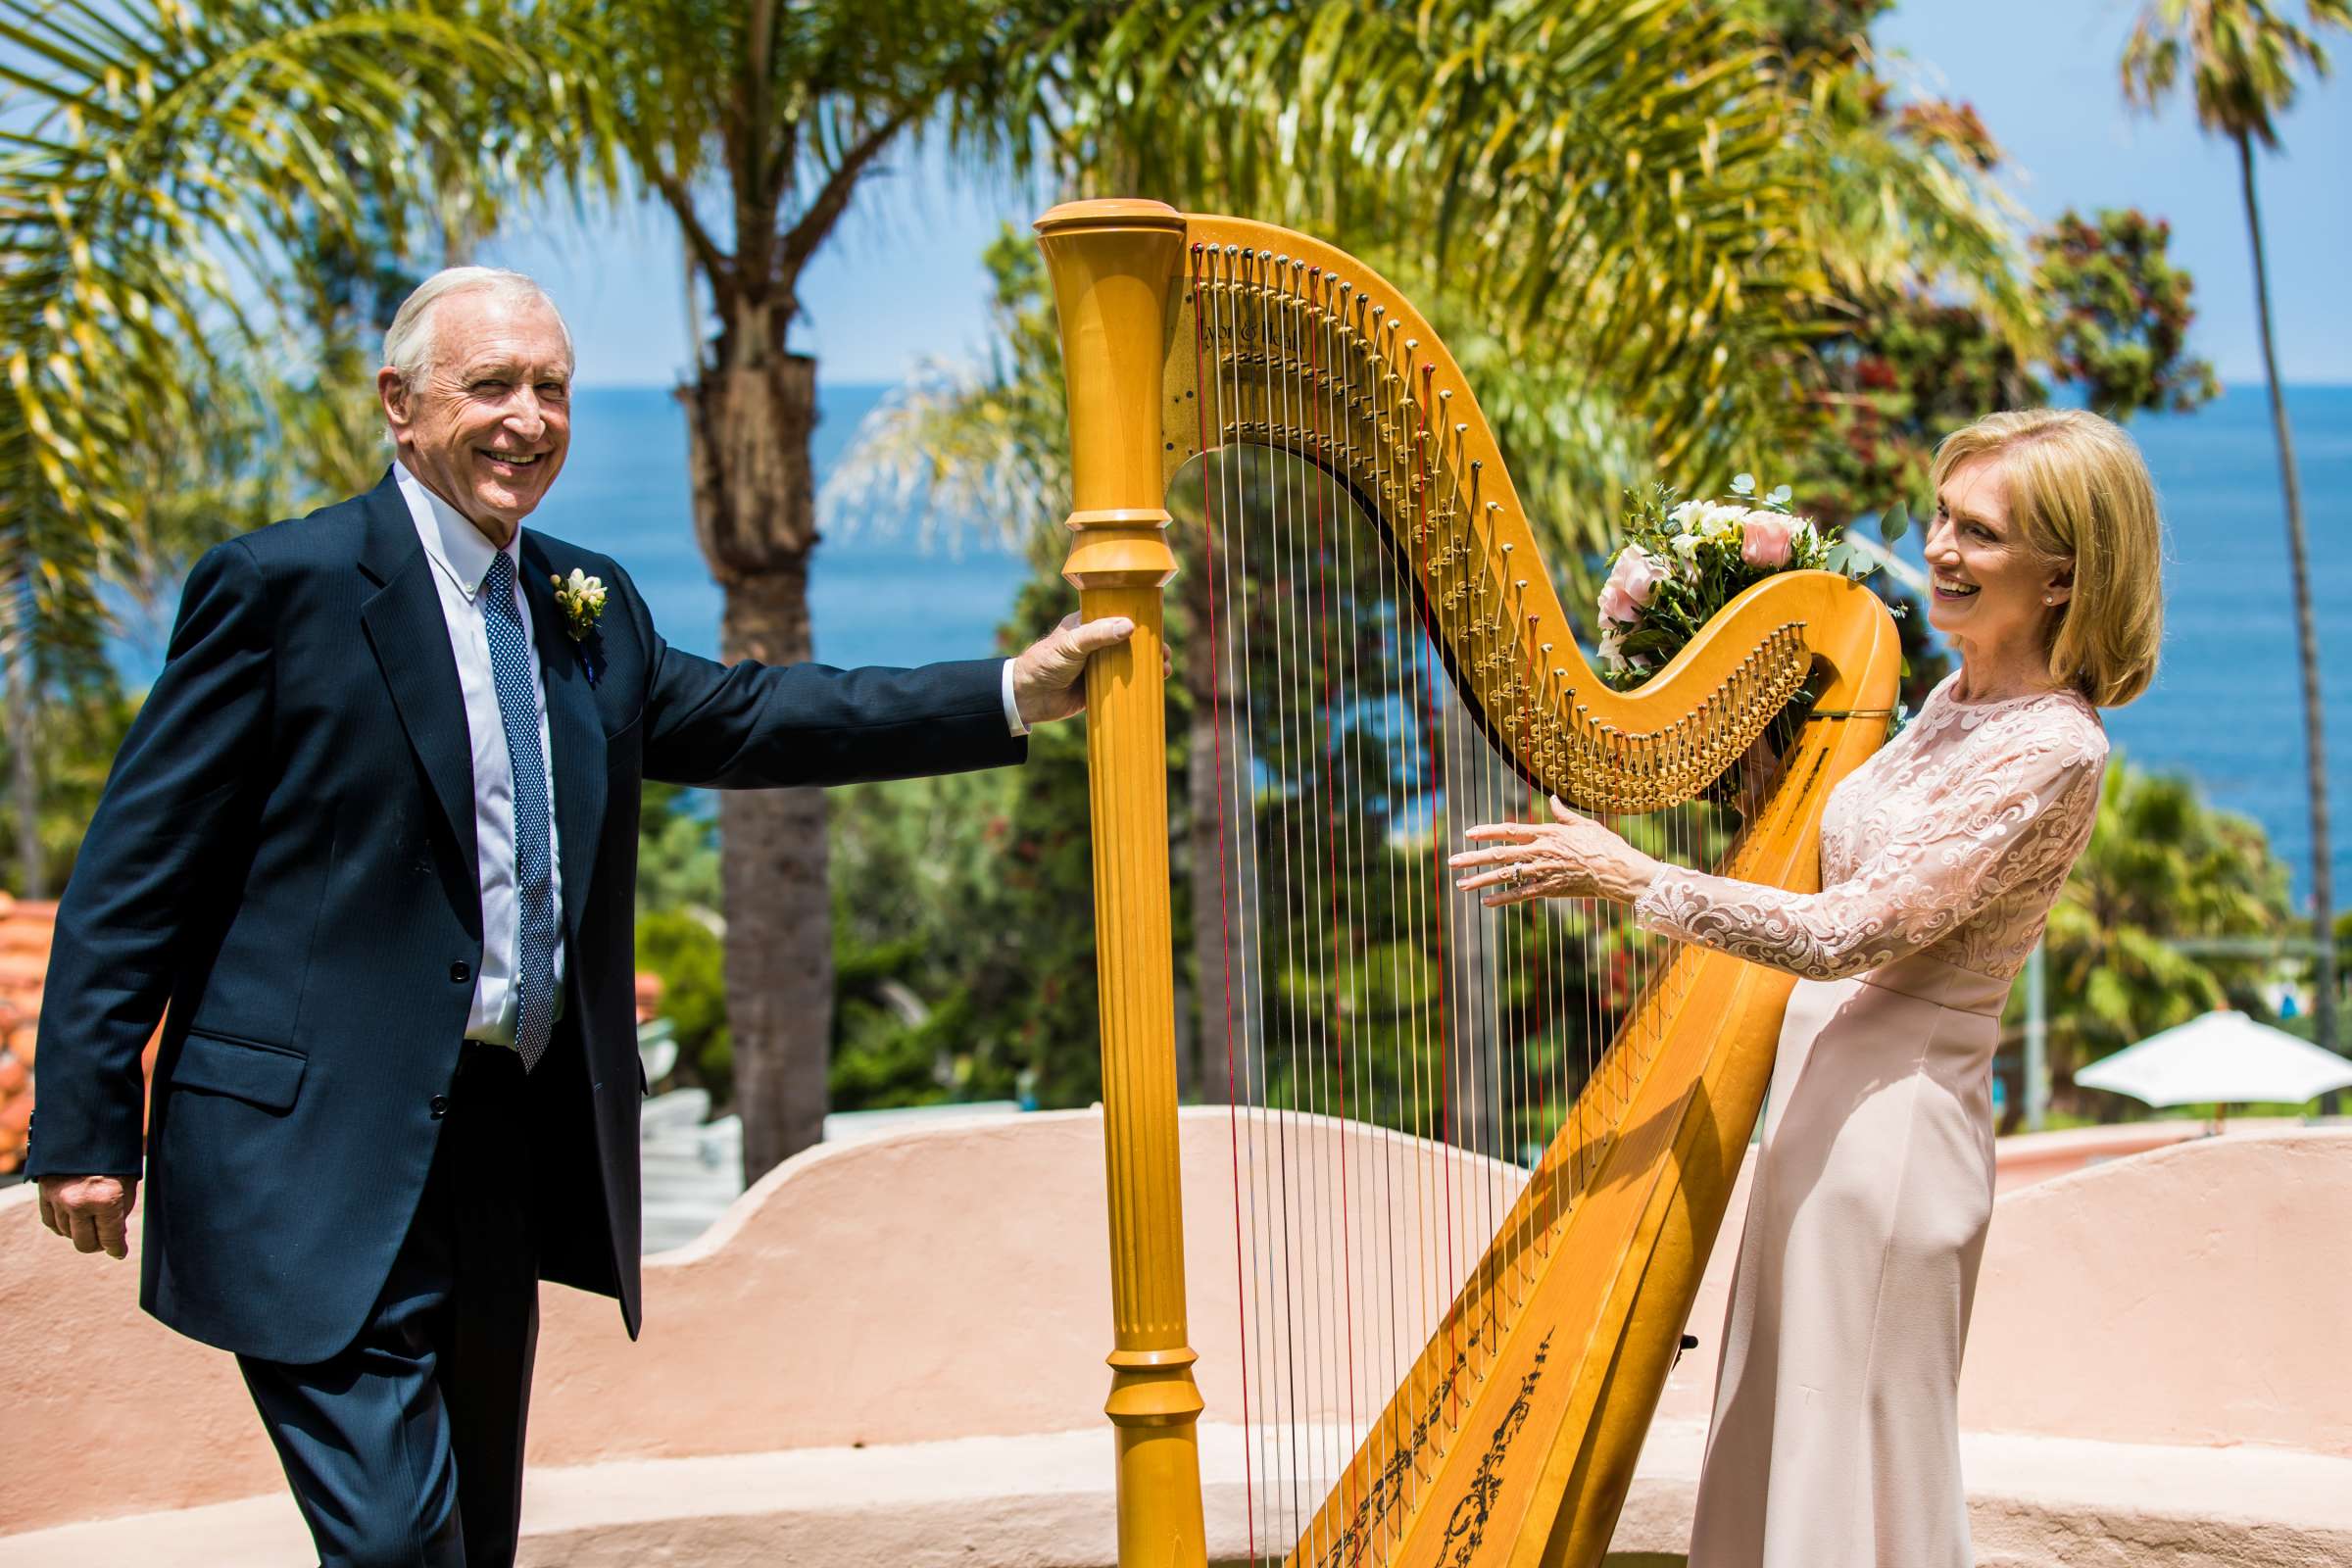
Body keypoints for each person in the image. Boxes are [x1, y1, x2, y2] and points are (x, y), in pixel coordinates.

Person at [26, 267, 1132, 1568]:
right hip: (307, 1150)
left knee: (474, 1533)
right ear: (398, 404)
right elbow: (134, 866)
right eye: (489, 384)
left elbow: (753, 719)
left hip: (505, 1140)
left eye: (550, 388)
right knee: (394, 1545)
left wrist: (1008, 690)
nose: (527, 418)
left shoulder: (584, 604)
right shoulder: (285, 589)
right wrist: (86, 1124)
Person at [1449, 408, 2161, 1567]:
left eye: (1979, 532)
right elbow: (1849, 860)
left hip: (1896, 1133)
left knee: (1847, 1467)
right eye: (1940, 515)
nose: (1938, 546)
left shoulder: (2053, 748)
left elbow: (1852, 931)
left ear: (2061, 579)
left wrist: (1631, 876)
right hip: (1824, 1113)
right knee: (1785, 1442)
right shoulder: (1948, 706)